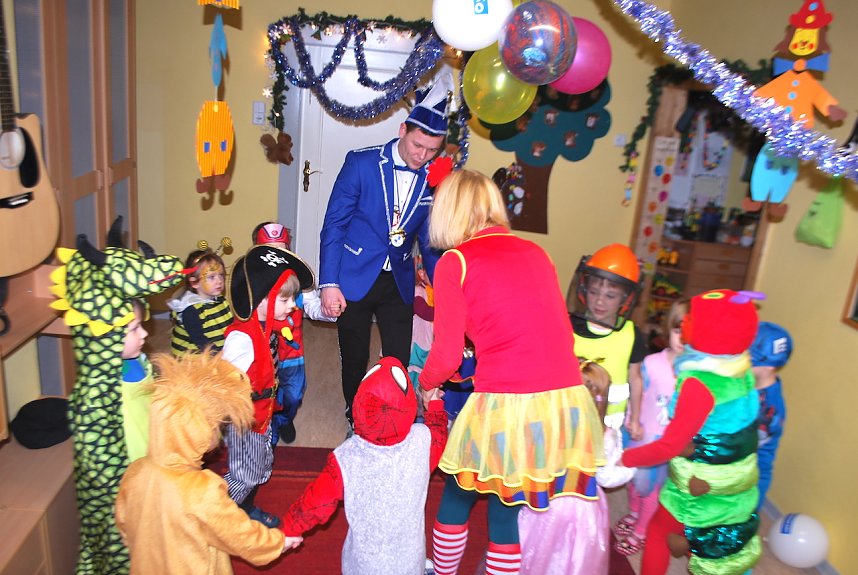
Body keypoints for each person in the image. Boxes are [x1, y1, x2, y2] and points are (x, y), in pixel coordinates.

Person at [418, 169, 604, 575]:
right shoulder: (538, 253)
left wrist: (425, 384)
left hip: (508, 399)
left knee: (457, 491)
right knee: (506, 503)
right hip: (563, 397)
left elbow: (447, 355)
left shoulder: (455, 261)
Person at [318, 75, 453, 427]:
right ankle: (355, 414)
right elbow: (334, 224)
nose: (422, 156)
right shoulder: (360, 164)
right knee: (355, 352)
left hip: (401, 277)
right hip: (354, 273)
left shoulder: (431, 178)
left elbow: (430, 239)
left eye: (431, 150)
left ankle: (393, 415)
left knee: (397, 353)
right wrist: (329, 282)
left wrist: (447, 287)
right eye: (417, 146)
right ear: (403, 130)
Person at [116, 352, 302, 575]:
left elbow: (124, 522)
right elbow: (238, 534)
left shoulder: (136, 471)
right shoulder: (202, 490)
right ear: (200, 432)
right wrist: (278, 542)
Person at [621, 289, 763, 575]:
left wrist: (625, 458)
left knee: (660, 532)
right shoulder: (742, 371)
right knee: (724, 548)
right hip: (732, 485)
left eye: (691, 319)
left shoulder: (698, 385)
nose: (685, 323)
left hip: (700, 487)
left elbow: (668, 447)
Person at [280, 357, 448, 575]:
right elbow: (439, 435)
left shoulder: (345, 458)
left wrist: (287, 530)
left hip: (364, 566)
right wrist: (433, 404)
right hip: (409, 562)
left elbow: (314, 503)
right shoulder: (422, 441)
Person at [221, 244, 315, 529]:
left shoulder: (265, 327)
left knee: (261, 466)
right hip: (245, 423)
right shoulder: (242, 338)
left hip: (263, 416)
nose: (291, 306)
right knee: (243, 475)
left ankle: (245, 507)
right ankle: (218, 513)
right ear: (261, 300)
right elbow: (223, 382)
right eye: (285, 299)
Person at [518, 359, 635, 575]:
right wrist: (632, 463)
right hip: (583, 507)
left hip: (545, 500)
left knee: (536, 551)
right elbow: (608, 478)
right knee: (574, 558)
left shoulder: (544, 423)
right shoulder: (604, 434)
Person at [614, 299, 687, 557]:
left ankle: (641, 531)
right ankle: (634, 513)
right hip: (640, 433)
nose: (683, 338)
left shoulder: (697, 373)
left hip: (666, 444)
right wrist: (631, 418)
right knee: (635, 482)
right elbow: (638, 391)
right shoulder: (653, 362)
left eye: (691, 333)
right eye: (679, 330)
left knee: (652, 490)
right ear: (669, 329)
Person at [252, 221, 336, 445]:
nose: (278, 257)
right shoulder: (253, 285)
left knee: (293, 395)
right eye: (271, 251)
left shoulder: (297, 283)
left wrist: (329, 311)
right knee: (262, 396)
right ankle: (268, 429)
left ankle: (283, 419)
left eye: (283, 250)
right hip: (263, 358)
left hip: (291, 356)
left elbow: (312, 307)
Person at [568, 243, 646, 438]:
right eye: (594, 292)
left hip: (609, 425)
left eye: (610, 295)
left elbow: (635, 380)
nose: (600, 301)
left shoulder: (630, 334)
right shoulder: (568, 326)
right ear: (584, 290)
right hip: (569, 415)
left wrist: (635, 418)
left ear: (625, 299)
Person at [749, 321, 792, 510]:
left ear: (768, 366)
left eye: (749, 358)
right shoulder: (754, 384)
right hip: (740, 471)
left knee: (731, 531)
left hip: (750, 480)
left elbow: (742, 444)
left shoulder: (769, 406)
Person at [167, 248, 231, 355]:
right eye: (211, 277)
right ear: (194, 283)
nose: (219, 281)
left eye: (221, 275)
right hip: (192, 359)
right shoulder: (191, 310)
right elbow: (200, 341)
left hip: (217, 351)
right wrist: (219, 355)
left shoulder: (220, 301)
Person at [120, 299, 154, 462]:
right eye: (134, 329)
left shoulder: (137, 357)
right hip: (135, 457)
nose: (144, 333)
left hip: (151, 436)